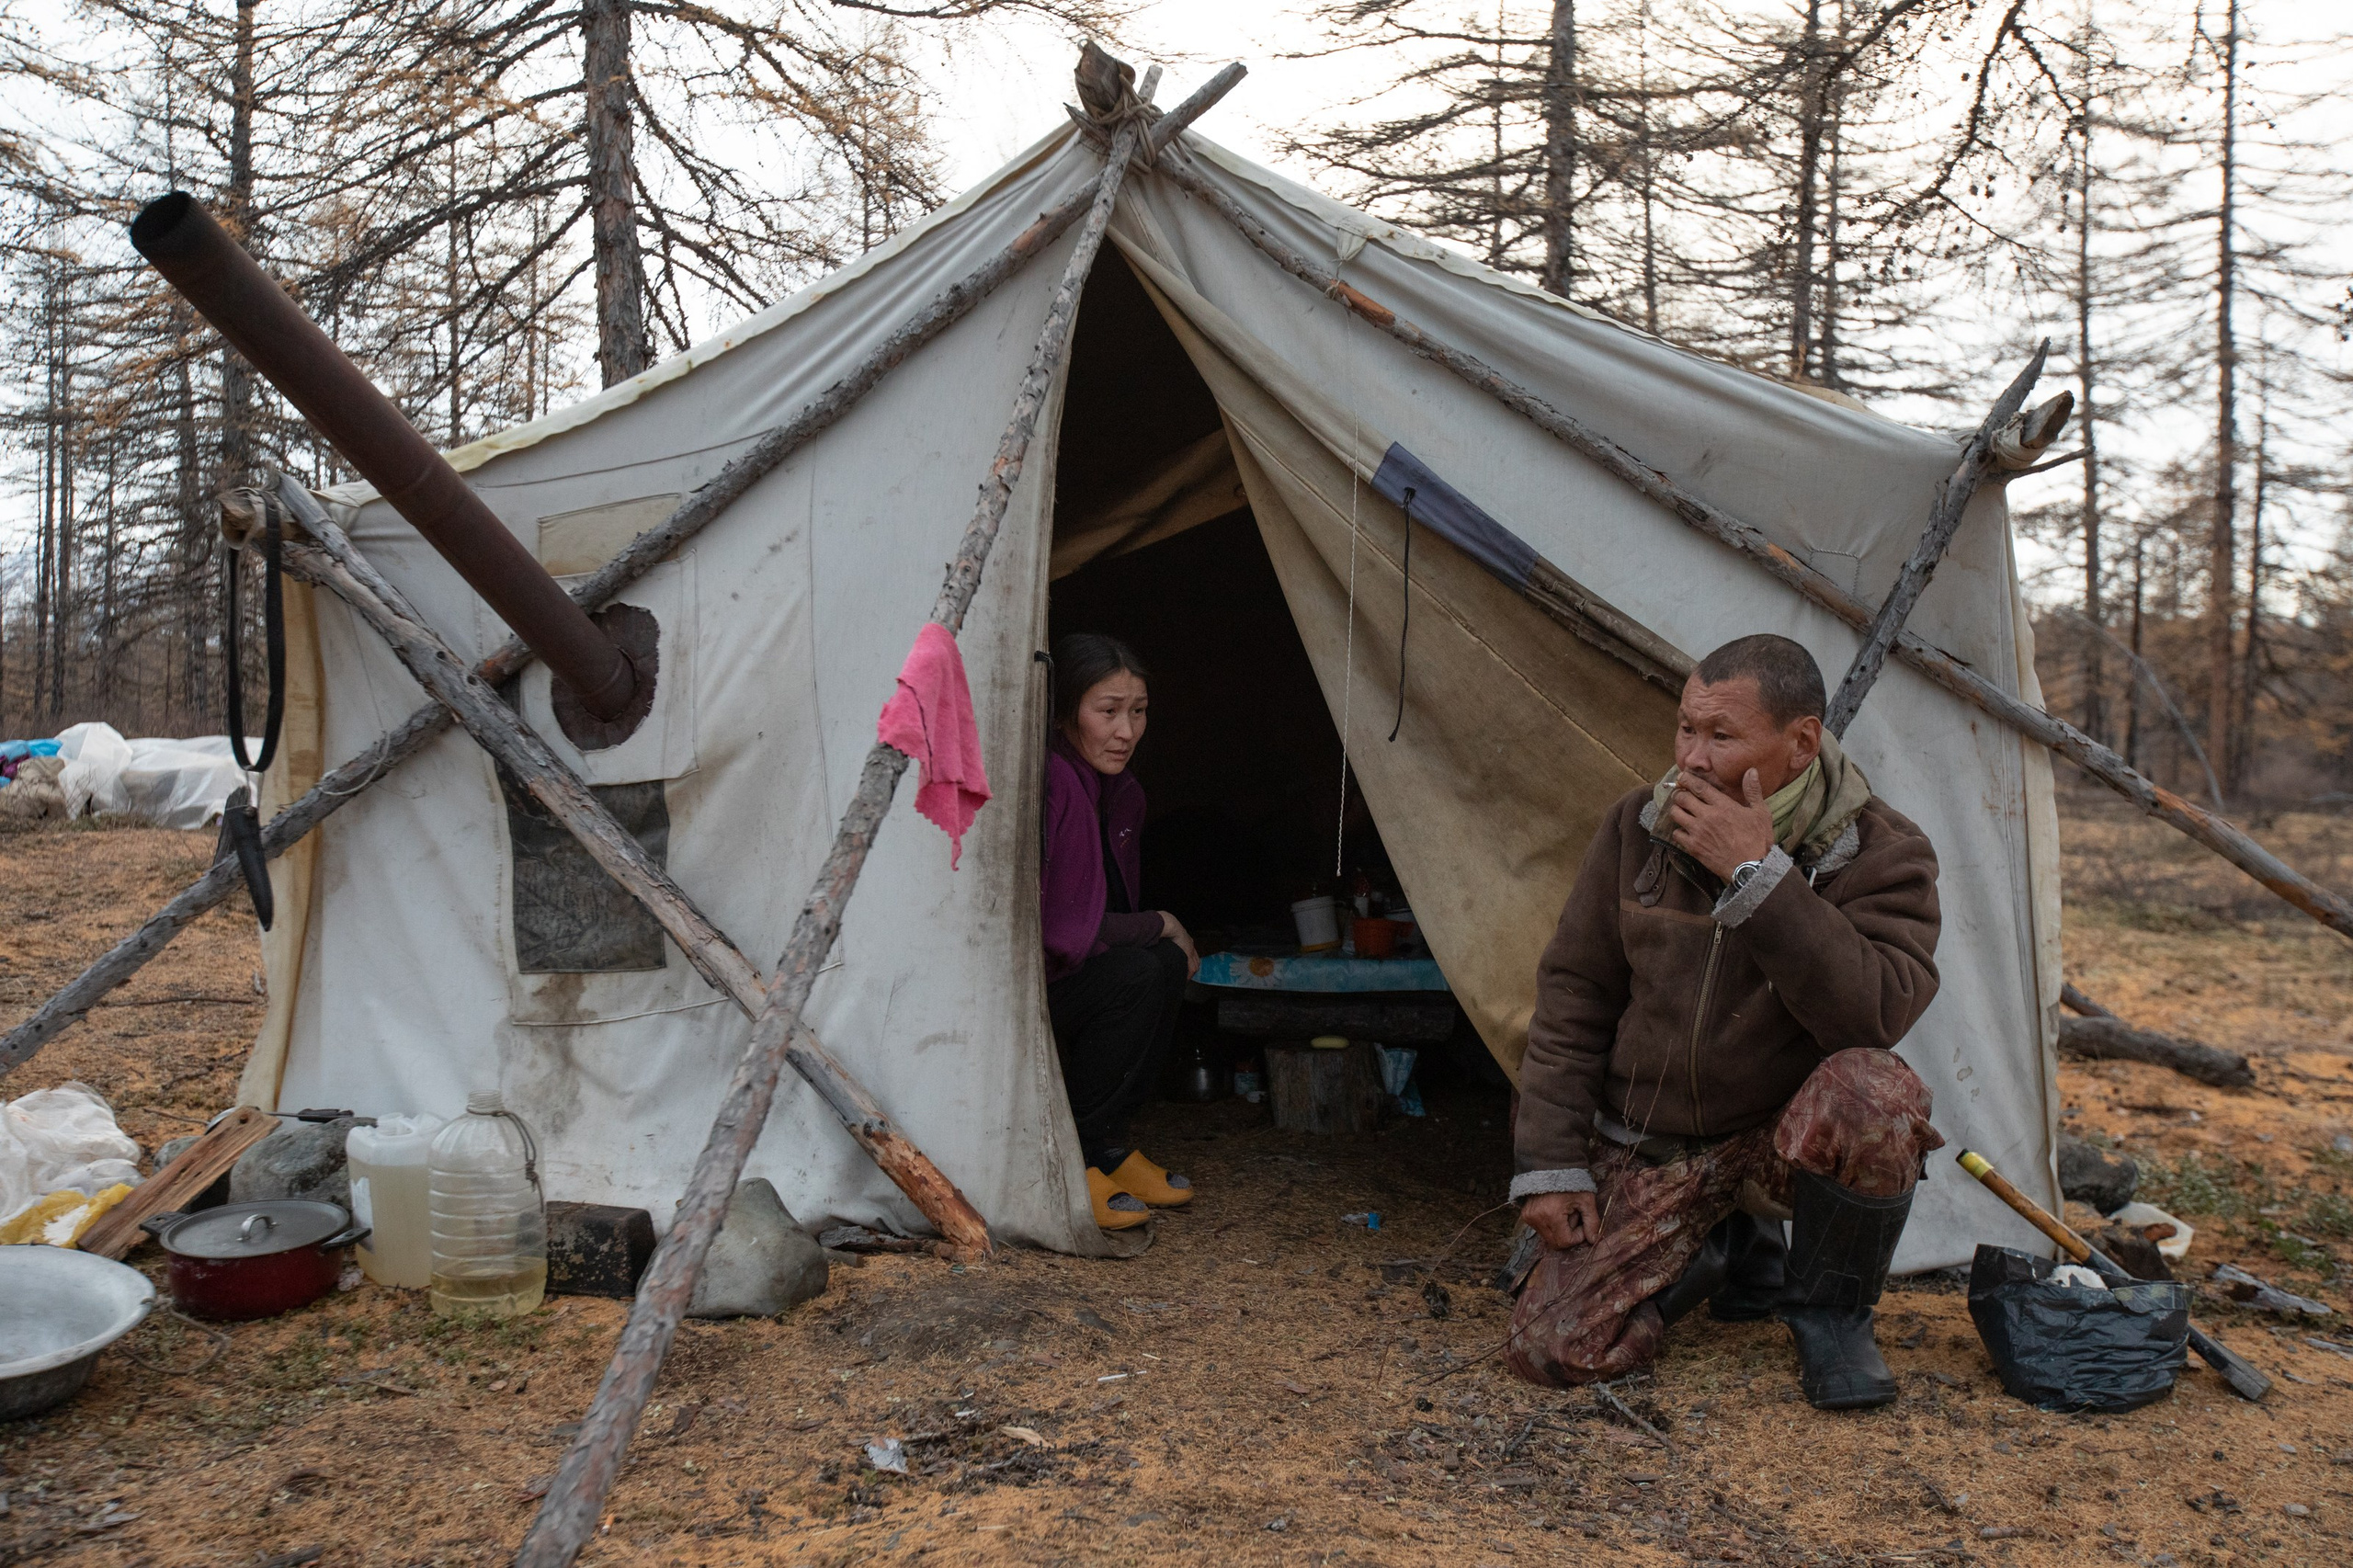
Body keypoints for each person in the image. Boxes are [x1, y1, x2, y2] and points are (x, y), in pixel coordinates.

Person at [1507, 633, 1944, 1410]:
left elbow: (1875, 1012)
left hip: (1783, 1142)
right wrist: (1551, 1164)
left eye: (1720, 735)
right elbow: (1573, 998)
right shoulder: (1635, 828)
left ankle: (1831, 1315)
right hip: (1657, 1140)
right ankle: (1717, 1251)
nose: (1693, 759)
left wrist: (1760, 878)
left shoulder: (1882, 852)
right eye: (1685, 728)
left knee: (1878, 1092)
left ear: (1801, 741)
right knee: (1551, 1350)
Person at [1040, 632, 1201, 1232]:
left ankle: (1107, 1144)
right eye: (1107, 712)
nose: (1127, 732)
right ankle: (1070, 1152)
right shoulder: (1055, 780)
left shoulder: (1124, 792)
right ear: (1065, 714)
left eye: (1138, 713)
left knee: (1160, 965)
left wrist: (1159, 935)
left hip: (1076, 976)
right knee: (1140, 967)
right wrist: (1164, 922)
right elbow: (1062, 929)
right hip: (1031, 985)